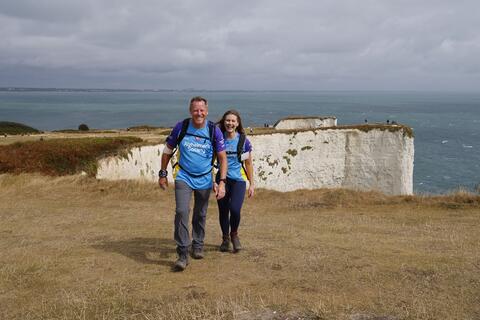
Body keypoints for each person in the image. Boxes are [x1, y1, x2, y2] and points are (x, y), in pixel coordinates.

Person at [159, 96, 227, 271]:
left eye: (202, 110)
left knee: (200, 213)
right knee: (182, 211)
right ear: (190, 111)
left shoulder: (214, 130)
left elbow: (222, 158)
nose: (199, 113)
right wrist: (163, 173)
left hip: (205, 178)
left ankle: (197, 244)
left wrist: (222, 182)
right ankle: (182, 252)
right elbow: (167, 151)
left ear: (207, 111)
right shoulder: (181, 127)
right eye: (196, 110)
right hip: (184, 176)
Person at [215, 110, 255, 253]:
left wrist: (252, 184)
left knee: (235, 209)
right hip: (222, 180)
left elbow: (248, 164)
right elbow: (211, 160)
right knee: (223, 211)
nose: (230, 123)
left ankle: (234, 234)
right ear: (223, 122)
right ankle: (225, 239)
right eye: (227, 120)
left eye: (233, 121)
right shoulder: (218, 139)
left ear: (237, 123)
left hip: (238, 181)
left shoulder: (243, 141)